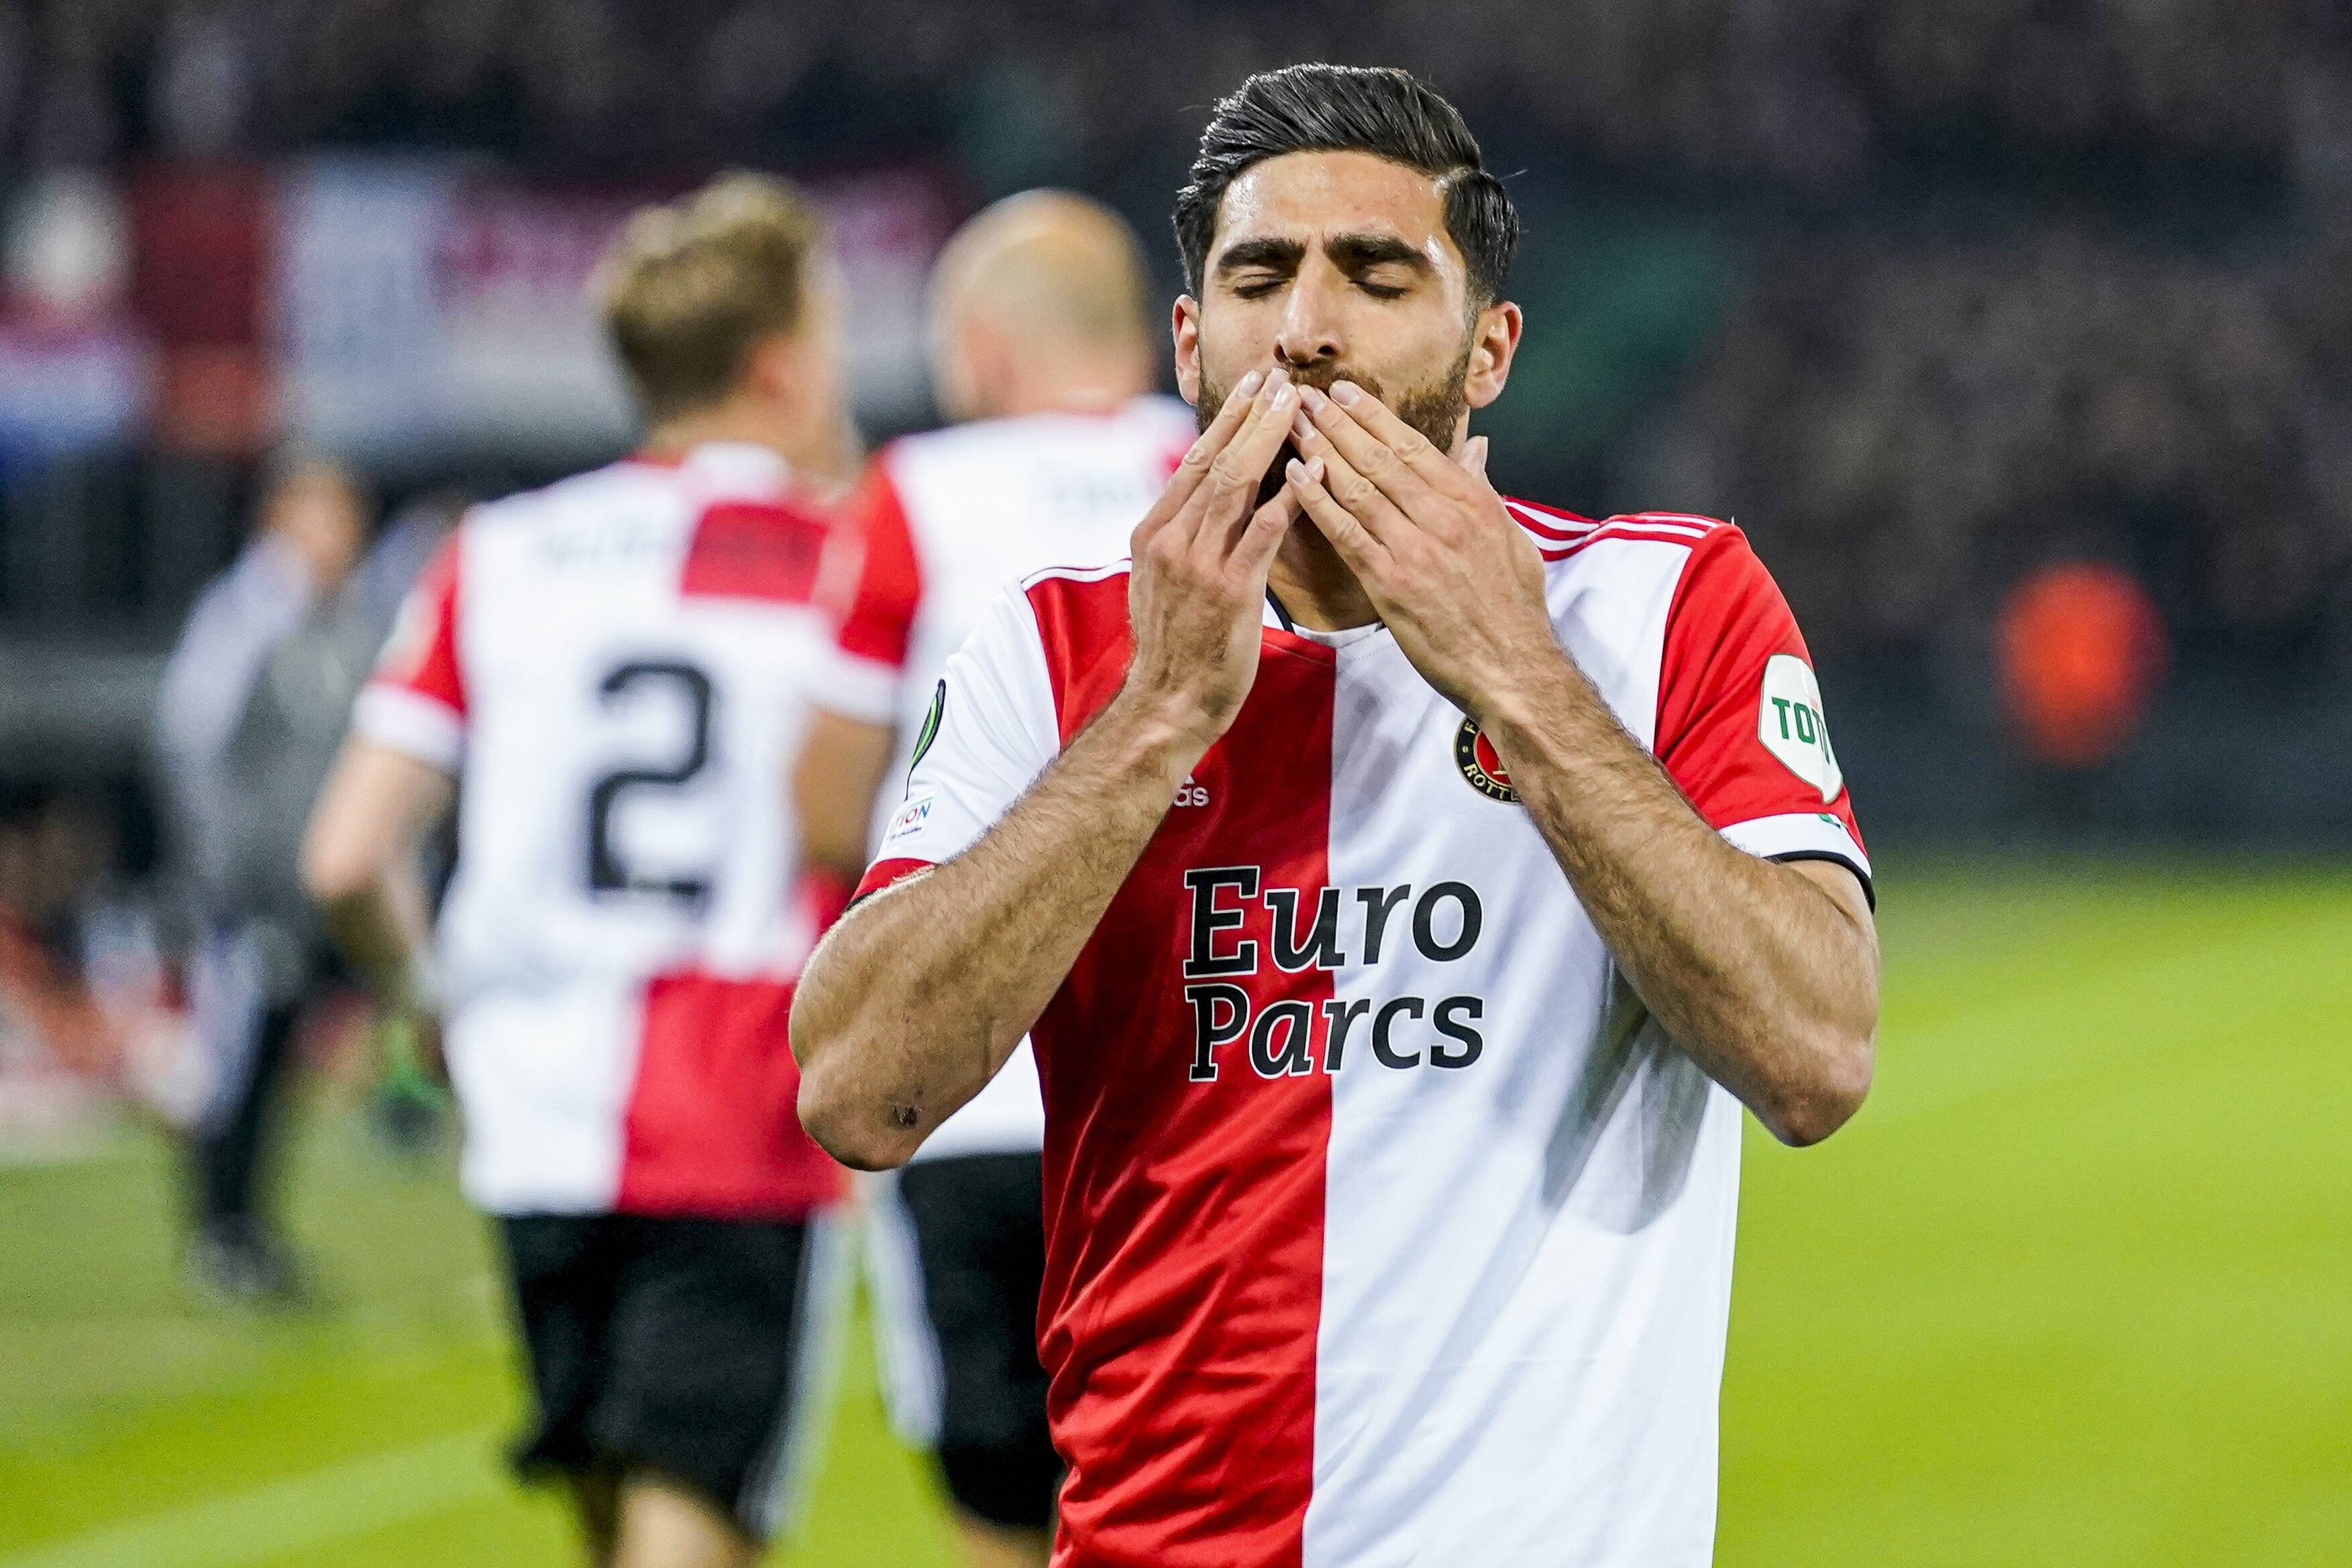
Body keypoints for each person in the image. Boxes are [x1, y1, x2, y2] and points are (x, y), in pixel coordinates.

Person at [792, 64, 1881, 1568]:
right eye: (1258, 278)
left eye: (1376, 275)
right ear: (1190, 341)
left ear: (1489, 347)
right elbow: (858, 1088)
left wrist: (1515, 674)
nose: (1306, 326)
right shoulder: (1052, 655)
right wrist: (1157, 715)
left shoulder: (1661, 604)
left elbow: (1816, 1053)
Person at [301, 175, 853, 1568]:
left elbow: (348, 854)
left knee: (610, 1519)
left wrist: (426, 1000)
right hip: (739, 1093)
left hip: (531, 1094)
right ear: (779, 365)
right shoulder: (843, 555)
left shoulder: (498, 552)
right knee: (690, 1524)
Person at [795, 190, 1193, 1568]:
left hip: (968, 1080)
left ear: (980, 347)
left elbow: (825, 797)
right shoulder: (1221, 471)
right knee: (1205, 1483)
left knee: (1003, 1499)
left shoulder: (913, 492)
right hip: (1203, 1067)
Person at [155, 455, 376, 1303]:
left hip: (294, 892)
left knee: (274, 1064)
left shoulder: (334, 618)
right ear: (281, 520)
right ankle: (222, 1235)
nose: (341, 536)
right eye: (325, 516)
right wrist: (225, 875)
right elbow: (193, 744)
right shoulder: (248, 615)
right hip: (244, 894)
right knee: (233, 1059)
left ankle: (249, 1232)